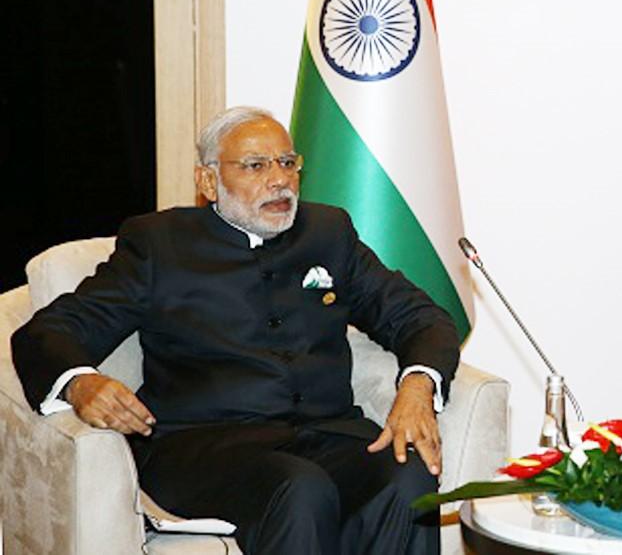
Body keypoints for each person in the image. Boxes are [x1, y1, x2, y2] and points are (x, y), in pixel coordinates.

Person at [11, 107, 459, 554]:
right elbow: (51, 330)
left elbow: (420, 316)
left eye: (288, 163)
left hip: (330, 435)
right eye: (256, 166)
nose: (280, 179)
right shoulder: (159, 245)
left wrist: (418, 383)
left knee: (410, 475)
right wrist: (81, 383)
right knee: (300, 488)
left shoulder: (328, 233)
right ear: (209, 182)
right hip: (206, 449)